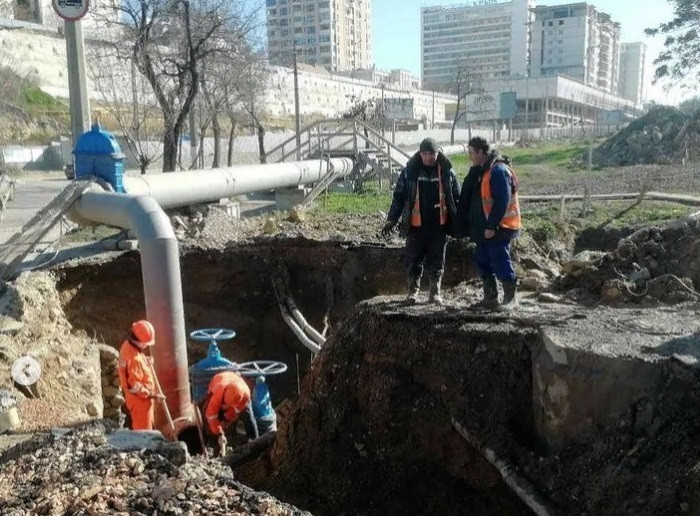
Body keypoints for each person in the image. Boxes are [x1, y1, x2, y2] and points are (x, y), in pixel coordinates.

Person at [381, 138, 460, 305]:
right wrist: (391, 219)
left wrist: (459, 222)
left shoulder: (446, 172)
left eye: (432, 154)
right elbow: (399, 197)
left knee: (437, 259)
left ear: (438, 154)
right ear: (420, 154)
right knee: (413, 259)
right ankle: (412, 293)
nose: (428, 157)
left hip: (439, 225)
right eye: (424, 154)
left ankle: (435, 293)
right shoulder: (410, 172)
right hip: (416, 225)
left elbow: (456, 199)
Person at [457, 136, 521, 311]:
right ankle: (490, 297)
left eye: (471, 152)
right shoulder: (483, 171)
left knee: (500, 259)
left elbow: (502, 201)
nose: (469, 156)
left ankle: (511, 298)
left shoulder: (498, 170)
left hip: (500, 227)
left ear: (480, 151)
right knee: (482, 259)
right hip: (485, 229)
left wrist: (492, 226)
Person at [118, 320, 164, 430]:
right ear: (139, 342)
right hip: (140, 404)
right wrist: (152, 394)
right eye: (146, 344)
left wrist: (145, 360)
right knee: (144, 434)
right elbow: (134, 386)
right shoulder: (135, 359)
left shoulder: (127, 346)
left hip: (137, 400)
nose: (146, 346)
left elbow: (133, 369)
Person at [203, 371, 259, 455]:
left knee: (248, 416)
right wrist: (218, 432)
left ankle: (255, 441)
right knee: (214, 416)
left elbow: (236, 411)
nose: (226, 407)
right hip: (220, 380)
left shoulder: (245, 396)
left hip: (238, 386)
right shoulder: (218, 392)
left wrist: (225, 420)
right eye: (225, 405)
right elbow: (210, 415)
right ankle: (213, 443)